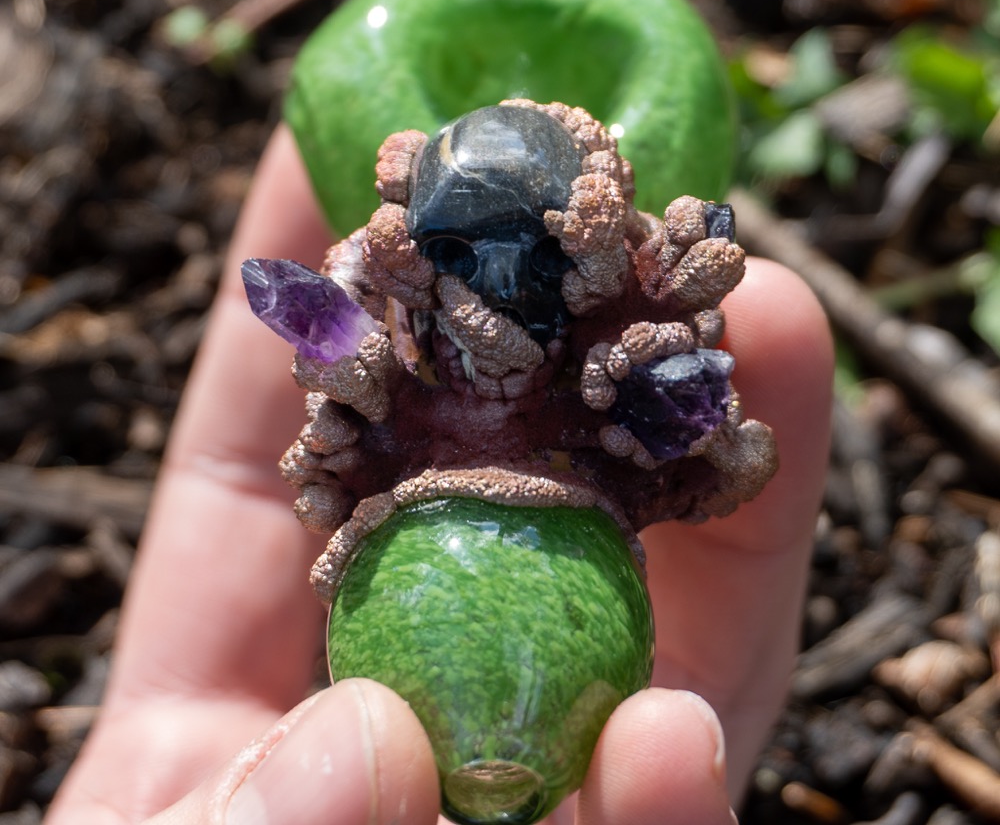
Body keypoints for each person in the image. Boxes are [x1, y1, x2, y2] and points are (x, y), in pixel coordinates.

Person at [46, 126, 833, 825]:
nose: (490, 281)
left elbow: (707, 437)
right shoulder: (382, 337)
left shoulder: (626, 346)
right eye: (457, 253)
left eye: (537, 255)